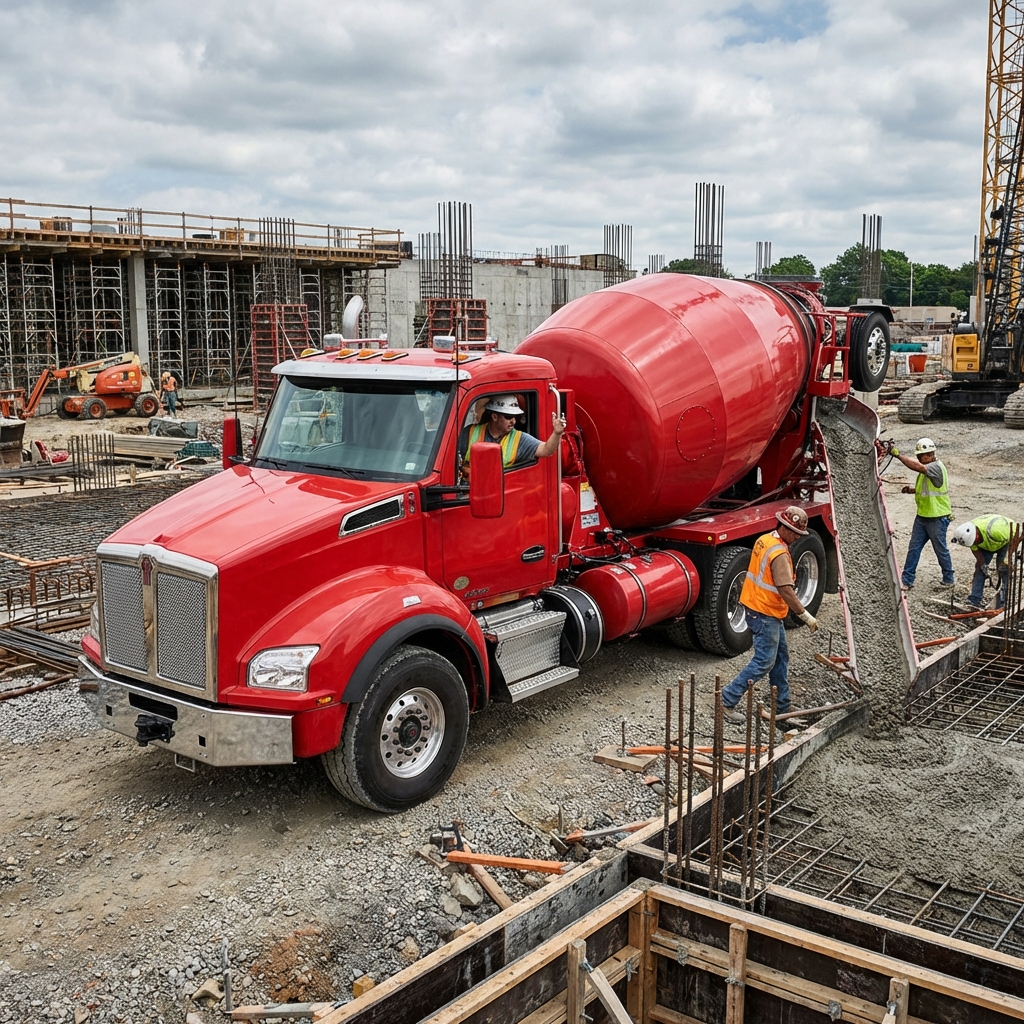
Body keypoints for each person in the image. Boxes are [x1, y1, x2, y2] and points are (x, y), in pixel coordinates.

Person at [721, 506, 819, 724]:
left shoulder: (765, 539)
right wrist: (804, 615)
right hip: (764, 613)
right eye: (794, 532)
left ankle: (782, 707)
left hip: (761, 608)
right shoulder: (780, 554)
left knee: (780, 657)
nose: (796, 537)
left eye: (799, 533)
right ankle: (727, 700)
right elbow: (785, 589)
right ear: (783, 527)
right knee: (765, 661)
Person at [885, 437, 954, 591]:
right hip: (923, 516)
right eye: (919, 456)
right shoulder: (928, 465)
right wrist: (912, 490)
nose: (921, 458)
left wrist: (898, 456)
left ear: (930, 454)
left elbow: (918, 468)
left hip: (937, 517)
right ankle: (907, 580)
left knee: (940, 549)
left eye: (923, 456)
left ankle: (949, 578)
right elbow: (928, 489)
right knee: (914, 548)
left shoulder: (935, 467)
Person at [458, 395, 565, 478]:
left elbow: (546, 450)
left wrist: (557, 433)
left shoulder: (520, 439)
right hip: (468, 493)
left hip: (502, 493)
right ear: (494, 417)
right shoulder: (470, 432)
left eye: (515, 416)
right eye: (508, 416)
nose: (513, 421)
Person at [951, 515, 1018, 610]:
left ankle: (1003, 603)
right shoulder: (969, 535)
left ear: (977, 535)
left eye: (975, 542)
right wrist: (982, 564)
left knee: (1004, 570)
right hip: (987, 544)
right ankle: (974, 600)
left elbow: (1016, 537)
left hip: (1005, 542)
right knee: (979, 569)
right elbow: (975, 549)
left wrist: (1006, 560)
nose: (974, 544)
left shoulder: (997, 531)